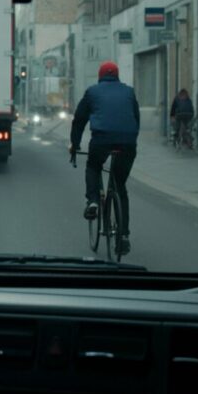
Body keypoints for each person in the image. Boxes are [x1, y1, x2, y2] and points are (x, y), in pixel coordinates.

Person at [70, 61, 140, 254]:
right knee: (120, 185)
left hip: (101, 140)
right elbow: (136, 118)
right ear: (117, 76)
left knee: (93, 166)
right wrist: (131, 140)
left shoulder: (92, 92)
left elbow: (79, 121)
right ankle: (123, 235)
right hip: (127, 143)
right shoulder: (129, 92)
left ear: (100, 77)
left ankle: (93, 200)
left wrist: (75, 145)